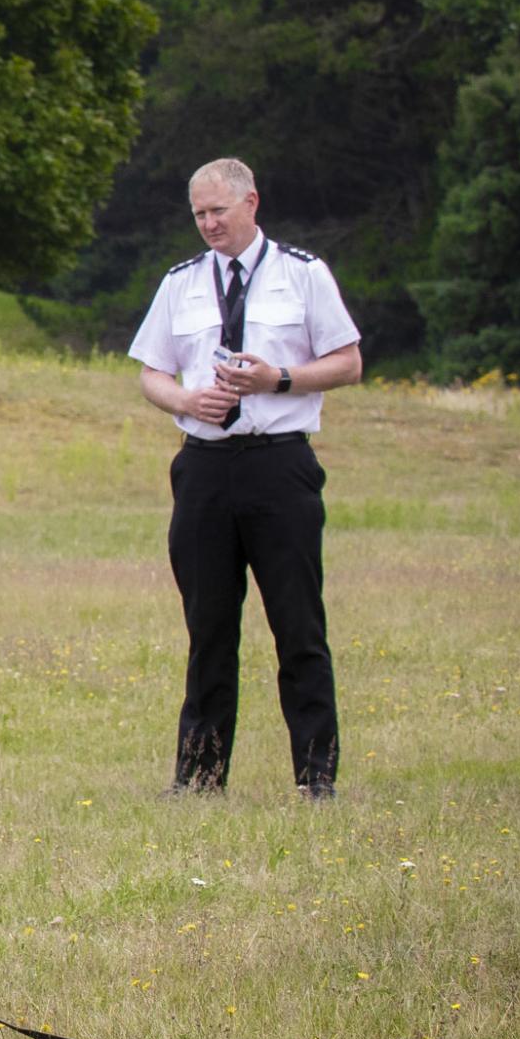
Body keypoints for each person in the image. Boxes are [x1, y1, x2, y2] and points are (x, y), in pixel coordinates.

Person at [130, 158, 362, 798]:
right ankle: (200, 779)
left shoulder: (302, 275)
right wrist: (182, 400)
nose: (209, 224)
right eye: (199, 214)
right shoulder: (181, 284)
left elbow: (347, 362)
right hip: (205, 469)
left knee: (298, 627)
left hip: (279, 463)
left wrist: (278, 380)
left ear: (251, 202)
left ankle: (316, 779)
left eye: (218, 212)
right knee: (208, 630)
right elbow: (151, 370)